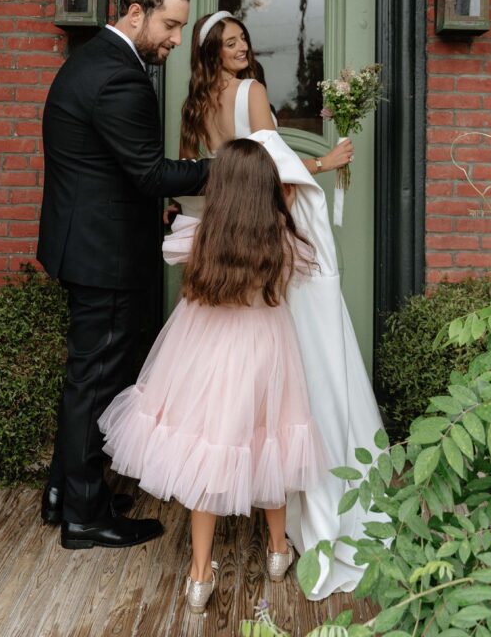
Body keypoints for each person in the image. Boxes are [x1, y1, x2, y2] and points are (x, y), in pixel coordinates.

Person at [173, 9, 385, 598]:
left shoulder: (195, 108)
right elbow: (276, 170)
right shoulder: (252, 92)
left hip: (222, 236)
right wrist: (325, 163)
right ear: (213, 50)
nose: (241, 48)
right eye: (229, 41)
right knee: (279, 397)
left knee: (221, 406)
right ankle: (279, 542)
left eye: (243, 39)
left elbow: (206, 179)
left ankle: (203, 568)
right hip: (260, 235)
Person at [98, 139, 328, 614]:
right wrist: (285, 209)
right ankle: (278, 550)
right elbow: (308, 266)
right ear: (267, 188)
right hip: (266, 353)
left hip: (203, 352)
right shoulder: (282, 242)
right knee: (270, 442)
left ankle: (200, 576)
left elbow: (169, 248)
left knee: (209, 446)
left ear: (220, 189)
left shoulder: (201, 237)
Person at [37, 0, 210, 550]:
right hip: (103, 256)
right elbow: (149, 173)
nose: (175, 40)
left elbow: (103, 168)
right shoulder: (120, 78)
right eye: (170, 25)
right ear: (136, 13)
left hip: (83, 241)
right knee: (96, 380)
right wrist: (231, 165)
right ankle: (85, 517)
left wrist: (147, 209)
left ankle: (66, 491)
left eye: (181, 28)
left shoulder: (89, 63)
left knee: (85, 376)